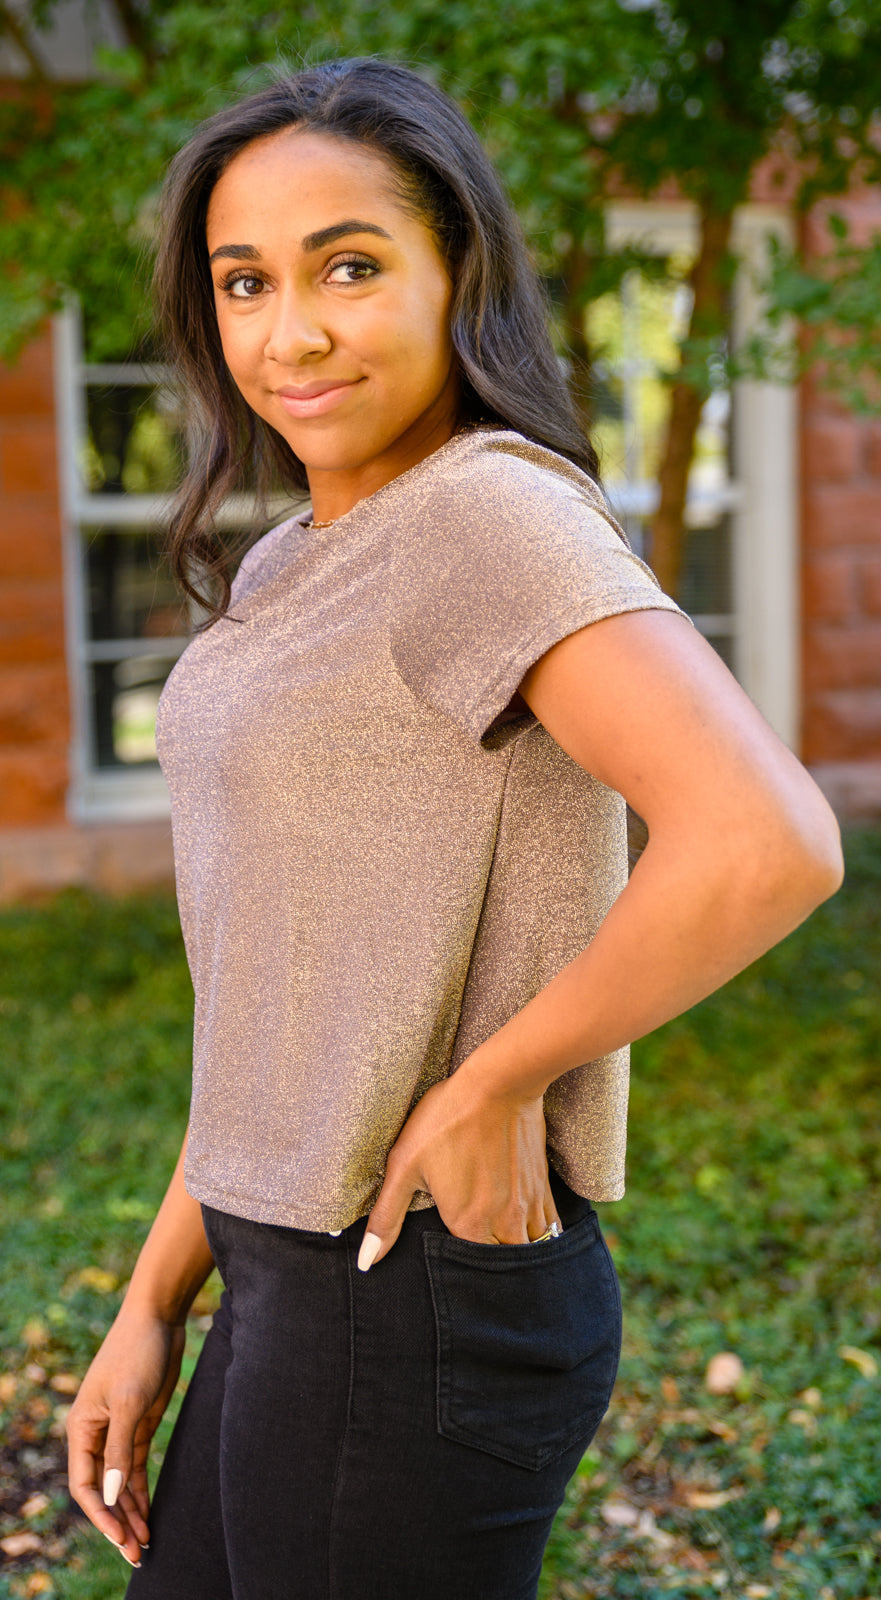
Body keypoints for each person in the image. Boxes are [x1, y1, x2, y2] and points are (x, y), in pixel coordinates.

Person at [66, 56, 843, 1600]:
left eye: (349, 266)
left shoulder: (486, 516)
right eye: (243, 282)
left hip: (413, 1291)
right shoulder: (296, 557)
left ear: (455, 274)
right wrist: (156, 1292)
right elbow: (287, 991)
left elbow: (767, 841)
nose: (288, 332)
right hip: (289, 1270)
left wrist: (499, 1082)